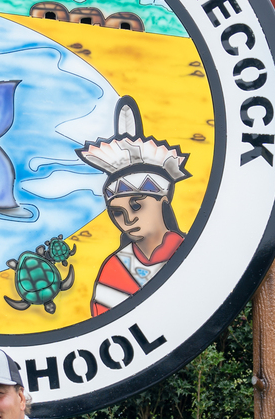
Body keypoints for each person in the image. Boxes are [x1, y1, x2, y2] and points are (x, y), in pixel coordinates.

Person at [77, 96, 191, 316]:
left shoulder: (189, 252)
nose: (127, 220)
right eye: (118, 213)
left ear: (163, 200)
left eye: (137, 206)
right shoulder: (114, 268)